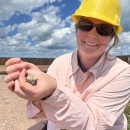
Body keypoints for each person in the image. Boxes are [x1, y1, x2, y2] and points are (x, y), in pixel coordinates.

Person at [4, 0, 130, 129]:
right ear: (77, 28)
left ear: (112, 37)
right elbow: (43, 113)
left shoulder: (122, 72)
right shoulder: (60, 62)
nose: (92, 35)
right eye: (86, 25)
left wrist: (53, 90)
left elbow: (94, 124)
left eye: (103, 29)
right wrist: (33, 83)